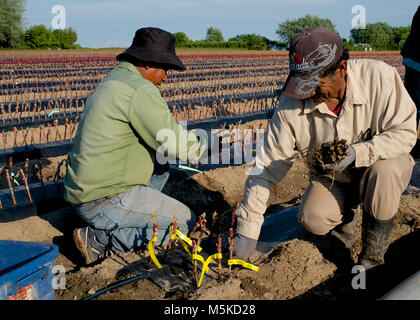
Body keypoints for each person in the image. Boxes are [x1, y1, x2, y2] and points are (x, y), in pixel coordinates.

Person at [233, 27, 417, 270]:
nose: (308, 92)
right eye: (302, 84)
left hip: (381, 168)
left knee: (384, 173)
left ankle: (372, 259)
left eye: (316, 83)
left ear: (341, 69)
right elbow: (266, 168)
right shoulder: (290, 106)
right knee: (313, 217)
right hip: (336, 178)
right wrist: (247, 232)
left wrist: (356, 153)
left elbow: (404, 133)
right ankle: (347, 224)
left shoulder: (379, 78)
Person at [64, 27, 210, 265]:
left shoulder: (113, 80)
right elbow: (175, 143)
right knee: (184, 223)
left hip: (86, 189)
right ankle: (99, 239)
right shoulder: (139, 89)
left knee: (161, 166)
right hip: (104, 198)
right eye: (164, 68)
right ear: (145, 63)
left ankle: (133, 214)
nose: (165, 77)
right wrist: (211, 143)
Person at [401, 5, 420, 157]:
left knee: (413, 105)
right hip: (416, 62)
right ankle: (409, 144)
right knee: (414, 106)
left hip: (414, 60)